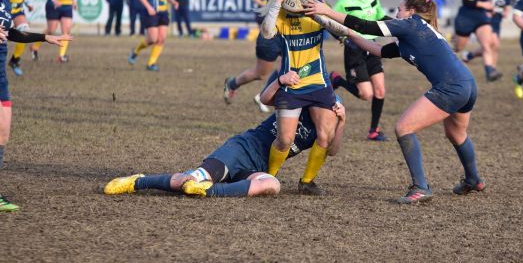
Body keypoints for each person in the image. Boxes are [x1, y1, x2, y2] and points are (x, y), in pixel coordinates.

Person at [306, 0, 485, 204]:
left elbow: (368, 26)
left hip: (452, 87)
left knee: (404, 128)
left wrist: (327, 11)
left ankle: (420, 187)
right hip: (467, 84)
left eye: (399, 9)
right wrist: (348, 34)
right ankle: (473, 180)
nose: (396, 13)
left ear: (410, 12)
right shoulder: (415, 33)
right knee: (456, 132)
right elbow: (378, 50)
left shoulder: (411, 24)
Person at [103, 71, 346, 198]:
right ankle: (138, 181)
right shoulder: (297, 105)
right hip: (242, 150)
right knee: (187, 180)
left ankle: (211, 190)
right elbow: (266, 98)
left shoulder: (323, 129)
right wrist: (281, 81)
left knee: (272, 184)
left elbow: (332, 151)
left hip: (256, 167)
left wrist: (342, 121)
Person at [260, 0, 348, 195]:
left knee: (324, 136)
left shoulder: (318, 8)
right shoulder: (281, 15)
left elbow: (341, 32)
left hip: (319, 83)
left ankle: (307, 182)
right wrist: (277, 1)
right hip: (292, 85)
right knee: (284, 140)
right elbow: (267, 32)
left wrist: (317, 14)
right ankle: (269, 178)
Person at [0, 0, 73, 212]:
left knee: (3, 132)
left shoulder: (5, 2)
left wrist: (44, 37)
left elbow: (11, 33)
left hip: (1, 76)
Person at [329, 0, 389, 141]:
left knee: (380, 92)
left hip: (373, 48)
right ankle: (337, 79)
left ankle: (373, 131)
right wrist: (342, 37)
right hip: (354, 51)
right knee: (366, 94)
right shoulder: (343, 2)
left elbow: (380, 17)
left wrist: (401, 26)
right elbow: (330, 22)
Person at [223, 0, 288, 113]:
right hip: (270, 36)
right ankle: (232, 84)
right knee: (260, 74)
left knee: (287, 69)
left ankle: (264, 96)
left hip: (288, 37)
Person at [128, 0, 178, 71]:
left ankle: (151, 63)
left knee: (161, 39)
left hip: (163, 12)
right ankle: (136, 51)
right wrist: (149, 7)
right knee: (152, 39)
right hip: (151, 12)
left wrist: (174, 2)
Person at [453, 0, 502, 82]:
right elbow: (466, 0)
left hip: (481, 18)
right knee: (458, 48)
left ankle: (490, 71)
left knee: (487, 44)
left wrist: (491, 10)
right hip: (466, 17)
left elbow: (490, 2)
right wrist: (483, 4)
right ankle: (454, 58)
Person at [462, 0, 512, 68]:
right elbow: (481, 4)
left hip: (497, 21)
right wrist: (487, 10)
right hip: (486, 21)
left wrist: (506, 12)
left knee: (492, 47)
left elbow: (507, 6)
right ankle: (492, 70)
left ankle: (469, 55)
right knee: (494, 45)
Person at [6, 0, 33, 76]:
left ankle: (14, 60)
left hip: (18, 11)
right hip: (5, 10)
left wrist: (27, 3)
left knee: (24, 34)